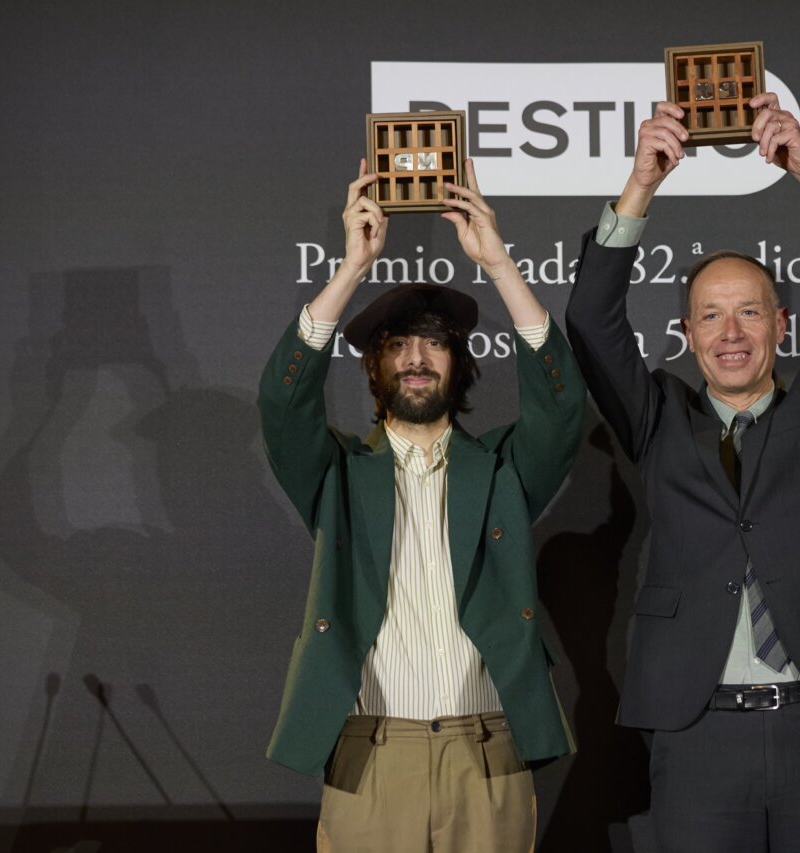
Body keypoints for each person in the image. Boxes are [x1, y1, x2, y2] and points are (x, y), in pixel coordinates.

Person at [563, 94, 800, 852]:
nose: (731, 333)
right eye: (711, 316)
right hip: (698, 736)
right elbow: (592, 318)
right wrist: (640, 187)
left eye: (750, 313)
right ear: (688, 333)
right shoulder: (657, 416)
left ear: (782, 323)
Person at [258, 157, 584, 852]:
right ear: (373, 367)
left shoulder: (500, 470)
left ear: (459, 361)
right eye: (397, 345)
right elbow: (283, 406)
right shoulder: (339, 474)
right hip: (371, 754)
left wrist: (498, 265)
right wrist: (350, 270)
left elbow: (560, 409)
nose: (415, 358)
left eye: (433, 342)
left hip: (488, 752)